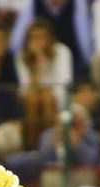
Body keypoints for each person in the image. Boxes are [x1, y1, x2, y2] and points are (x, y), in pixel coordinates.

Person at [15, 18, 73, 148]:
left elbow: (64, 84)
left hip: (55, 100)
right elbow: (25, 88)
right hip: (31, 99)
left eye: (42, 37)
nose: (39, 42)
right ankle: (31, 145)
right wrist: (36, 62)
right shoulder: (21, 56)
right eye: (34, 38)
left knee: (46, 97)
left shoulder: (62, 52)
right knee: (33, 99)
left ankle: (47, 146)